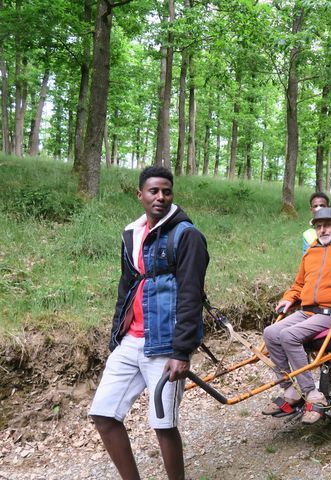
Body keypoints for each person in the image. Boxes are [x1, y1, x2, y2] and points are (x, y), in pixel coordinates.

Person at [90, 166, 209, 480]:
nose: (160, 197)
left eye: (166, 191)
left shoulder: (188, 235)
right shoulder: (131, 233)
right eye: (154, 191)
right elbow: (126, 287)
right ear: (139, 194)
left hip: (166, 344)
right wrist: (116, 336)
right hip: (130, 340)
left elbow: (190, 295)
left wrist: (182, 351)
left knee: (164, 425)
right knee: (103, 414)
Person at [262, 207, 331, 424]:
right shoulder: (311, 251)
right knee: (270, 333)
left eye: (326, 225)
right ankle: (290, 389)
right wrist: (288, 297)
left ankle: (312, 394)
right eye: (318, 226)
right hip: (306, 311)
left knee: (289, 336)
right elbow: (298, 285)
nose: (322, 230)